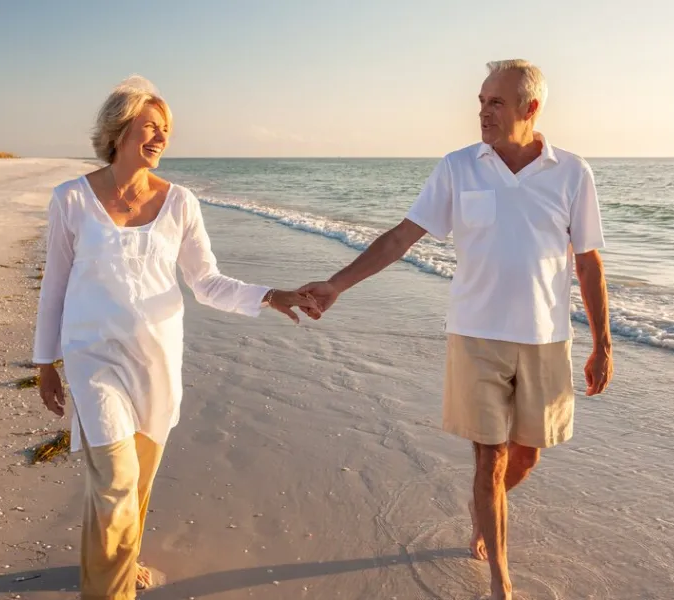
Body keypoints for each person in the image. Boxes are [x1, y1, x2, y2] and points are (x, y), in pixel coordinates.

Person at [299, 59, 613, 600]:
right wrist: (337, 284)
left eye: (496, 102)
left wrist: (602, 343)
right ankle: (500, 580)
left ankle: (482, 506)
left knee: (527, 454)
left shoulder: (572, 172)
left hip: (546, 337)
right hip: (476, 335)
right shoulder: (458, 166)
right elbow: (401, 237)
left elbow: (588, 262)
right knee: (488, 457)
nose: (483, 112)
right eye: (481, 101)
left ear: (530, 108)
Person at [31, 75, 319, 599]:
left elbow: (206, 283)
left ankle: (122, 562)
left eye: (166, 129)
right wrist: (45, 363)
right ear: (119, 130)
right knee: (116, 482)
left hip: (156, 362)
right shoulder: (71, 199)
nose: (161, 137)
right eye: (150, 127)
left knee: (133, 485)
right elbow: (55, 284)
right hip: (93, 358)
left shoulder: (181, 202)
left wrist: (271, 295)